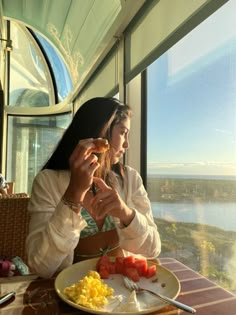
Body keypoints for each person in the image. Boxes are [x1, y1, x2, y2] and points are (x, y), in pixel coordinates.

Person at [26, 97, 161, 278]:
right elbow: (40, 267)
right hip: (71, 295)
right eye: (123, 133)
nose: (127, 144)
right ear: (102, 133)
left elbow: (154, 249)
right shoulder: (47, 182)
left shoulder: (130, 179)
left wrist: (126, 214)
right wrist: (73, 195)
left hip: (121, 294)